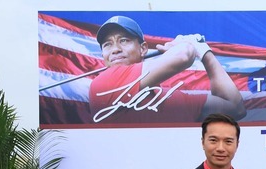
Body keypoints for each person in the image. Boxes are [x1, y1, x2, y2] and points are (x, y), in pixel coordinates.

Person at [89, 15, 246, 124]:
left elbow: (235, 108)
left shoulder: (173, 99)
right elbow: (183, 55)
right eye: (107, 44)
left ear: (143, 49)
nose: (115, 49)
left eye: (124, 40)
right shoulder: (102, 85)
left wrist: (204, 52)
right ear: (102, 54)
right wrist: (184, 45)